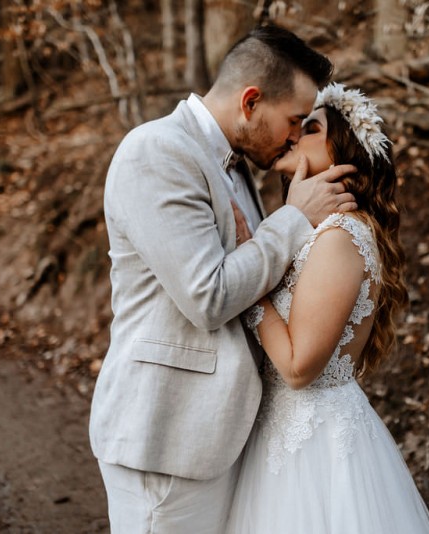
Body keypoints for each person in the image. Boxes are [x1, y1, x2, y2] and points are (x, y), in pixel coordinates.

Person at [89, 26, 358, 533]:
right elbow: (209, 297)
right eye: (294, 120)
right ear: (251, 101)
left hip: (216, 433)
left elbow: (252, 276)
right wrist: (293, 221)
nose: (296, 137)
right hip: (166, 437)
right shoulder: (157, 152)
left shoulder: (233, 167)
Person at [226, 83, 429, 533]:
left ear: (343, 154)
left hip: (316, 446)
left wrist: (251, 274)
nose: (293, 134)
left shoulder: (341, 237)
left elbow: (300, 367)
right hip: (280, 433)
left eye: (311, 128)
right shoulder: (310, 231)